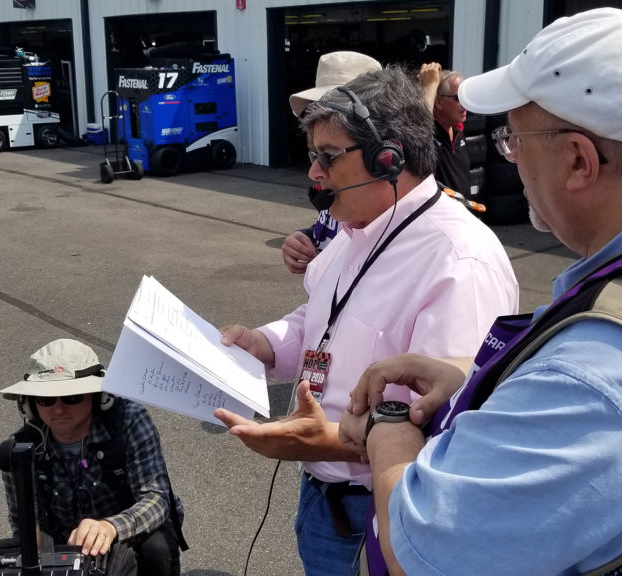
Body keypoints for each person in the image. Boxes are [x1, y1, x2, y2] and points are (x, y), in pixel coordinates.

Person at [341, 8, 622, 576]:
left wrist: (387, 424)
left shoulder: (598, 377)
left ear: (579, 160)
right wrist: (474, 378)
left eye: (513, 138)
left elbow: (423, 548)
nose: (509, 155)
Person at [216, 66, 519, 576]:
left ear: (389, 157)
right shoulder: (356, 231)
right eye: (312, 156)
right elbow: (320, 317)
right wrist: (262, 344)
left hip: (380, 510)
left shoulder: (457, 260)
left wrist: (327, 440)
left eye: (327, 157)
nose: (313, 174)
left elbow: (447, 429)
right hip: (323, 498)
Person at [0, 338, 187, 576]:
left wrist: (110, 527)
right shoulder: (21, 448)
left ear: (99, 397)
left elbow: (158, 499)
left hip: (129, 533)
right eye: (46, 400)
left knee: (156, 548)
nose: (58, 409)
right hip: (66, 544)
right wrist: (35, 540)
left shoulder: (129, 421)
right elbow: (21, 519)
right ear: (28, 406)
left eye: (71, 397)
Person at [282, 51, 382, 274]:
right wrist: (306, 238)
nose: (315, 172)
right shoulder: (345, 185)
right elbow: (332, 230)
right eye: (315, 108)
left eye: (334, 110)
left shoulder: (383, 213)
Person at [419, 62, 471, 197]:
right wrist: (429, 85)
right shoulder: (427, 134)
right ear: (438, 102)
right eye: (458, 98)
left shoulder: (459, 130)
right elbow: (419, 128)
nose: (465, 104)